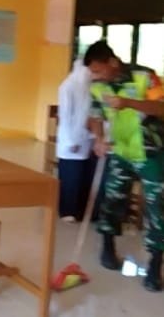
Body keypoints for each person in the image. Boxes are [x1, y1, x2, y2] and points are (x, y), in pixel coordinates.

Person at [85, 39, 164, 292]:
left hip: (151, 154)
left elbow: (160, 107)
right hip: (121, 151)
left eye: (98, 70)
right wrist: (98, 138)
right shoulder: (98, 86)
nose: (95, 76)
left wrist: (129, 103)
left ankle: (155, 265)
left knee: (158, 208)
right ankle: (107, 248)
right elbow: (95, 116)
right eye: (92, 72)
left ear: (113, 62)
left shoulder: (145, 76)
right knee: (112, 199)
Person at [57, 57, 96, 221]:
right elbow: (65, 116)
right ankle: (67, 211)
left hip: (87, 138)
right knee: (70, 176)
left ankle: (82, 211)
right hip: (71, 139)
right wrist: (70, 140)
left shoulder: (90, 86)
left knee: (84, 177)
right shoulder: (68, 86)